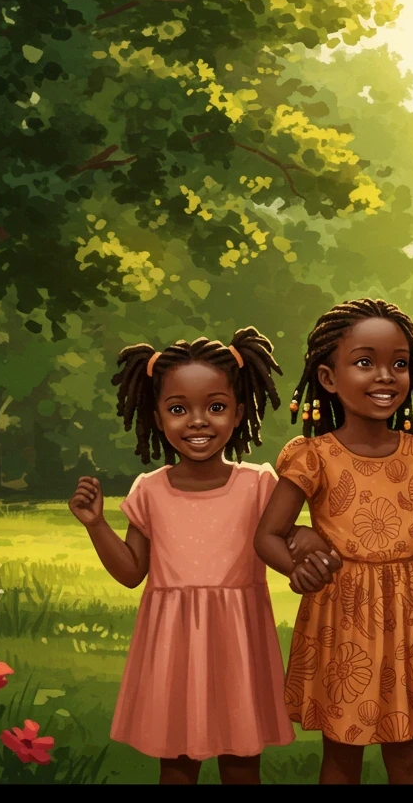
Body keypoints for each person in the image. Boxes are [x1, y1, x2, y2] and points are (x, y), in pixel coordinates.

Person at [255, 299, 413, 785]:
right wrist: (296, 569)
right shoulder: (312, 456)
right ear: (328, 378)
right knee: (342, 754)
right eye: (364, 362)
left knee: (407, 754)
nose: (385, 376)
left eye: (400, 363)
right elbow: (267, 536)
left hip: (406, 616)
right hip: (342, 616)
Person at [68, 328, 299, 784]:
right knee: (175, 764)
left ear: (238, 413)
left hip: (239, 643)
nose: (197, 421)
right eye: (179, 409)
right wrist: (96, 524)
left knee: (240, 762)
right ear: (156, 416)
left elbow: (288, 540)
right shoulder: (149, 490)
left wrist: (309, 547)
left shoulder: (257, 485)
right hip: (172, 646)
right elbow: (133, 572)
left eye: (215, 407)